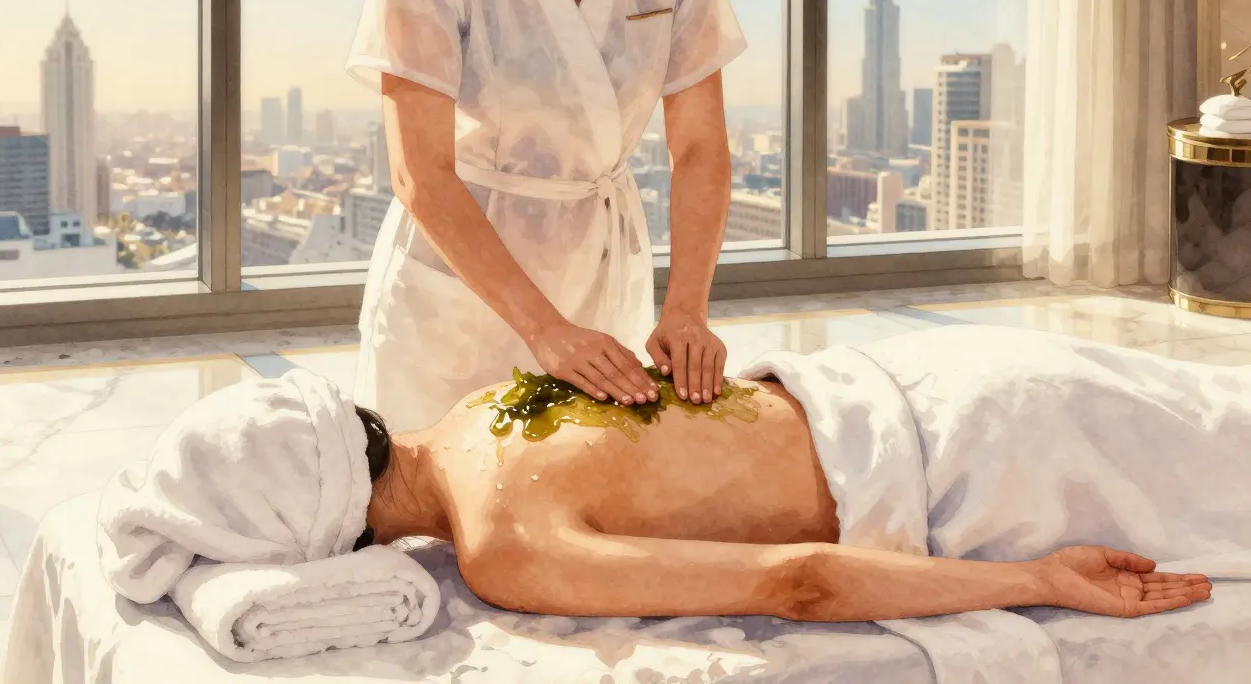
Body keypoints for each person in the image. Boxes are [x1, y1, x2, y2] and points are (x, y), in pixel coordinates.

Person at [348, 324, 1242, 623]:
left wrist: (1037, 579)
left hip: (983, 463)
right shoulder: (480, 404)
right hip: (943, 371)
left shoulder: (503, 546)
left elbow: (799, 583)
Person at [345, 0, 747, 433]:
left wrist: (686, 310)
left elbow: (699, 148)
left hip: (599, 264)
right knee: (436, 486)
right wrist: (544, 328)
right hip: (463, 279)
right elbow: (419, 173)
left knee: (592, 483)